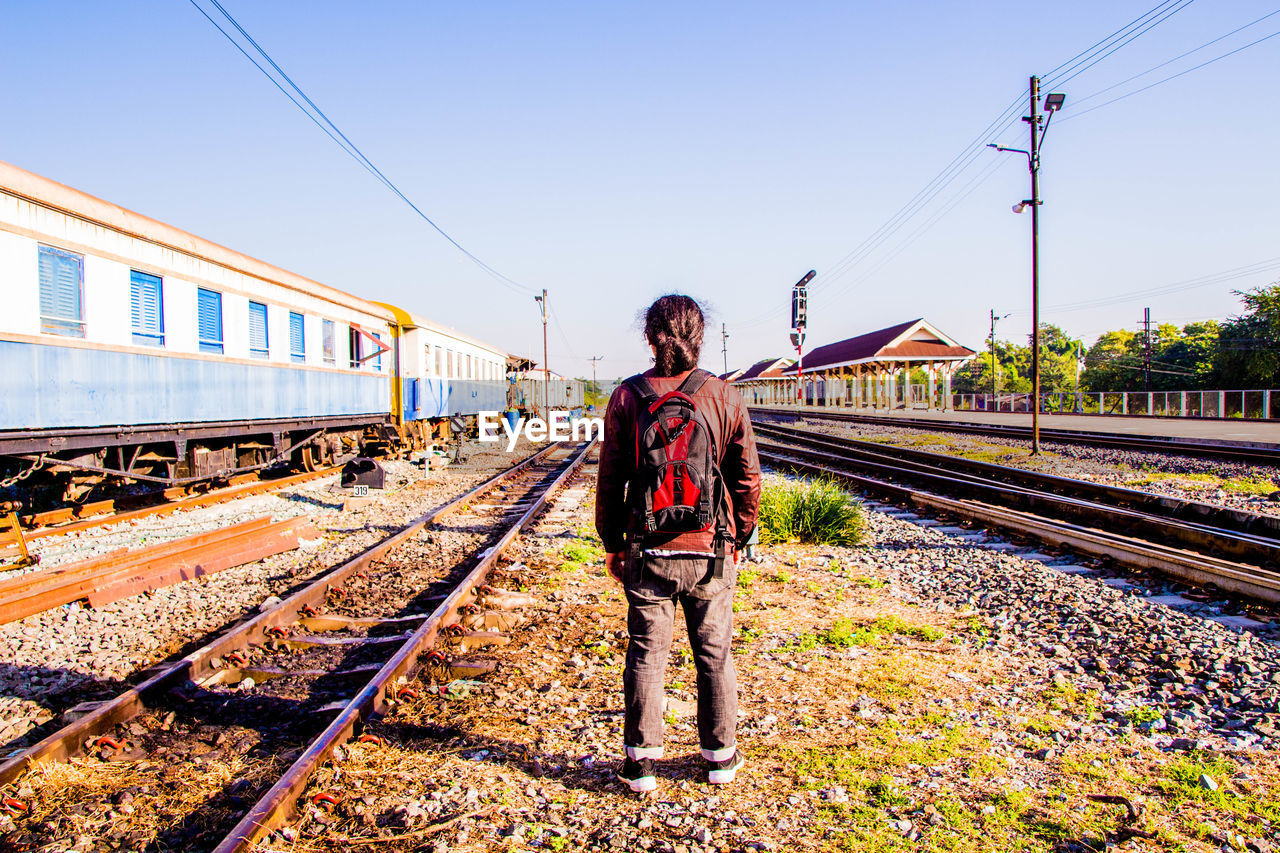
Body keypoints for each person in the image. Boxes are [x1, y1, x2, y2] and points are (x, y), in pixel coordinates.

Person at [595, 294, 761, 794]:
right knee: (715, 654)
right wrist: (741, 534)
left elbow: (610, 480)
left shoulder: (628, 397)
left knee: (647, 654)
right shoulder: (724, 396)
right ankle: (720, 758)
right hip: (711, 551)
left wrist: (613, 543)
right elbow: (747, 478)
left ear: (650, 339)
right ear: (700, 337)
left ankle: (641, 764)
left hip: (648, 550)